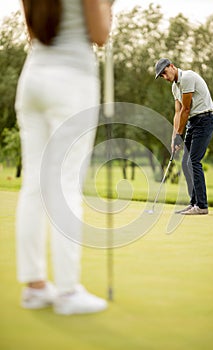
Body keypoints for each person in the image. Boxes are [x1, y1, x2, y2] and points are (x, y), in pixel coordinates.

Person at [15, 0, 114, 315]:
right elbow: (100, 34)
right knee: (65, 185)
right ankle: (68, 291)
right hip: (71, 81)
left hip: (33, 78)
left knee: (34, 184)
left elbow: (34, 30)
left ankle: (35, 287)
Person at [155, 58, 213, 215]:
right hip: (193, 123)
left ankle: (202, 206)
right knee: (185, 163)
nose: (165, 77)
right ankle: (194, 202)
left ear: (172, 66)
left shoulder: (187, 77)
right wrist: (174, 137)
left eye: (164, 72)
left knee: (193, 161)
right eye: (161, 76)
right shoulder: (175, 87)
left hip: (205, 120)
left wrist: (180, 135)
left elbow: (186, 109)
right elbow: (177, 112)